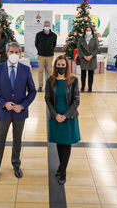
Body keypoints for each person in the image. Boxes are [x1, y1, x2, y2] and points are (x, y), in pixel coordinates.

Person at [0, 42, 37, 183]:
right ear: (7, 53)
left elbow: (32, 91)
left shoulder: (26, 70)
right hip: (4, 112)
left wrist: (22, 106)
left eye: (17, 52)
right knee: (0, 140)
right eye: (11, 51)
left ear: (20, 54)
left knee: (17, 140)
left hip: (19, 113)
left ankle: (16, 164)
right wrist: (4, 103)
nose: (14, 54)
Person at [45, 55, 80, 185]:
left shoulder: (73, 80)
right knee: (59, 143)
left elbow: (76, 100)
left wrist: (64, 115)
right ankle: (61, 166)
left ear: (67, 66)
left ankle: (63, 171)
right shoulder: (50, 80)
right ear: (55, 67)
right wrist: (55, 115)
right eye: (58, 65)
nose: (61, 67)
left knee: (66, 144)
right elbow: (47, 99)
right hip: (55, 117)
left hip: (68, 117)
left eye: (63, 65)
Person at [36, 21, 57, 92]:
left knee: (49, 71)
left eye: (48, 25)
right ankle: (40, 85)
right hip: (41, 55)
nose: (46, 26)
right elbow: (37, 44)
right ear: (43, 26)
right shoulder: (38, 34)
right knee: (40, 70)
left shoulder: (54, 35)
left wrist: (50, 50)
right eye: (45, 25)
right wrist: (40, 49)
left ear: (50, 26)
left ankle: (49, 85)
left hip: (49, 55)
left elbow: (54, 44)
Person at [77, 26, 99, 92]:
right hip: (84, 58)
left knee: (91, 74)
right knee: (83, 73)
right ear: (85, 31)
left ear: (92, 31)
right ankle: (83, 86)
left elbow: (96, 48)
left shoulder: (94, 38)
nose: (88, 31)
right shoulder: (81, 38)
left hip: (91, 58)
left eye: (89, 30)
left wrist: (91, 56)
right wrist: (84, 56)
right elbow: (79, 48)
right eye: (87, 30)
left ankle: (90, 87)